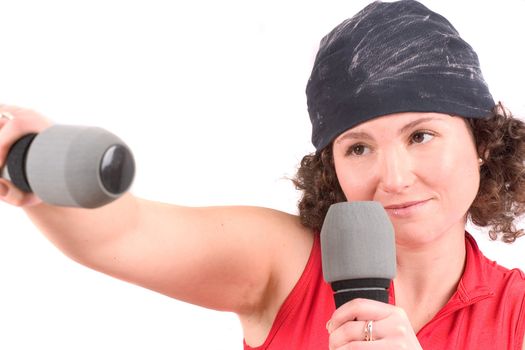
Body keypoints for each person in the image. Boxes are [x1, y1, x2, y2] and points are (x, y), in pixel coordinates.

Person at [1, 0, 524, 349]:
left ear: (481, 142)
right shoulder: (284, 262)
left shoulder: (517, 314)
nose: (393, 177)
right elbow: (125, 231)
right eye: (358, 147)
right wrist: (39, 165)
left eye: (420, 136)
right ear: (331, 164)